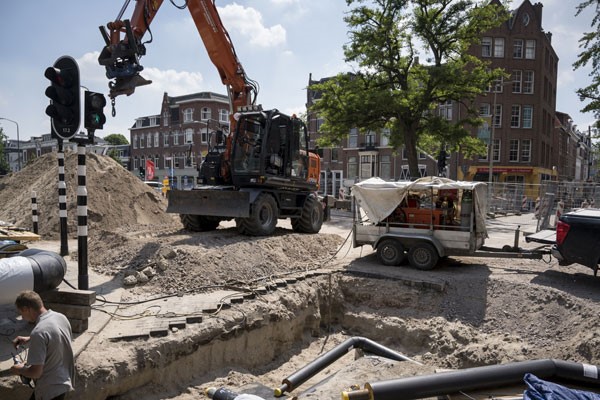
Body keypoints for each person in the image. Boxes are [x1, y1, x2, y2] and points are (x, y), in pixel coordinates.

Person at [10, 290, 74, 400]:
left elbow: (35, 373)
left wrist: (18, 369)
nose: (23, 317)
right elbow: (54, 335)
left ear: (26, 309)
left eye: (21, 313)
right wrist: (30, 339)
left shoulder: (38, 333)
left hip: (49, 390)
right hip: (64, 380)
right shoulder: (60, 317)